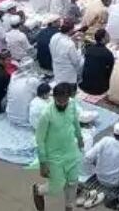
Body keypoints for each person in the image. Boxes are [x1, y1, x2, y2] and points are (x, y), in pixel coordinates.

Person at [32, 82, 83, 211]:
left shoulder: (72, 104)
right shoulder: (46, 114)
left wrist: (79, 137)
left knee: (73, 182)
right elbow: (39, 139)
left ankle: (69, 207)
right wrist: (43, 162)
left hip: (70, 150)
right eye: (58, 101)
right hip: (54, 155)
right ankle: (38, 190)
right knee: (56, 187)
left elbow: (75, 122)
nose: (62, 104)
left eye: (64, 101)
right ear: (53, 98)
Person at [84, 122, 119, 205]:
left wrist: (93, 167)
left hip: (99, 177)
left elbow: (88, 156)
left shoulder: (106, 140)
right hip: (115, 183)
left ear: (114, 133)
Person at [80, 28, 114, 96]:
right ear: (103, 39)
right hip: (99, 89)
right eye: (107, 36)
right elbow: (111, 71)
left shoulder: (89, 50)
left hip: (84, 85)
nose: (109, 37)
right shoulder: (107, 53)